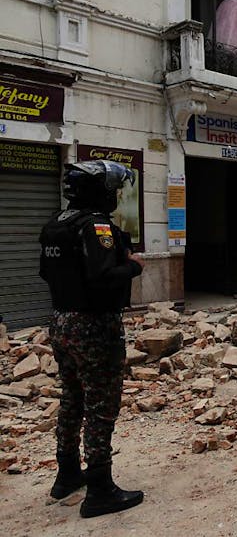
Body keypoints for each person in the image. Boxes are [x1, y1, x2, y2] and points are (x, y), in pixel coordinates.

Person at [39, 160, 145, 518]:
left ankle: (67, 472)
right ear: (99, 192)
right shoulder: (96, 226)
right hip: (94, 325)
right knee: (101, 404)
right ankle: (100, 488)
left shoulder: (58, 224)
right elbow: (104, 276)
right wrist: (133, 265)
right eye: (112, 190)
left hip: (61, 322)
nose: (115, 196)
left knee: (73, 397)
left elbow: (45, 272)